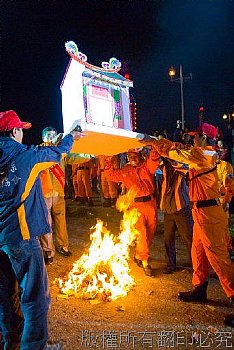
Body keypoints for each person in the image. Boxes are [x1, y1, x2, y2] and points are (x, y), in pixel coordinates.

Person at [0, 110, 81, 348]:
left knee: (5, 296)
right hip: (22, 236)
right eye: (21, 130)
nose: (23, 134)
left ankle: (10, 341)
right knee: (35, 296)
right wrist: (72, 136)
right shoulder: (25, 156)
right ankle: (35, 345)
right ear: (15, 131)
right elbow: (57, 152)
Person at [142, 123, 234, 327]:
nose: (192, 139)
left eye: (195, 136)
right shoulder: (202, 154)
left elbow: (177, 152)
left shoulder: (204, 154)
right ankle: (199, 289)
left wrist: (155, 142)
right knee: (198, 253)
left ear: (204, 138)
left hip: (209, 213)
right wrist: (158, 147)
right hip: (200, 211)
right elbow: (179, 154)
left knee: (218, 258)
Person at [105, 148, 160, 276]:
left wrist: (154, 148)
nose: (132, 158)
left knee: (150, 234)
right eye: (129, 155)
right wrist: (109, 159)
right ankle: (145, 262)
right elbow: (111, 175)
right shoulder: (125, 170)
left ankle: (139, 255)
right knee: (141, 234)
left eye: (134, 155)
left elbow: (154, 162)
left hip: (150, 205)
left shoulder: (146, 165)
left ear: (139, 155)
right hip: (135, 207)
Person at [40, 127, 72, 264]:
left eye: (54, 135)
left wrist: (89, 155)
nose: (52, 137)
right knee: (46, 223)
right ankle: (48, 252)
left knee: (61, 221)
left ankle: (63, 246)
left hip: (59, 192)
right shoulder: (39, 150)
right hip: (44, 193)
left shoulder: (62, 151)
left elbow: (73, 157)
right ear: (43, 138)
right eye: (49, 135)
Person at [160, 157, 193, 274]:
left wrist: (173, 160)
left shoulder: (181, 166)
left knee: (189, 239)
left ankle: (196, 266)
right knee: (168, 239)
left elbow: (185, 169)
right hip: (168, 210)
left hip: (181, 210)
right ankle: (170, 265)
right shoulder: (164, 167)